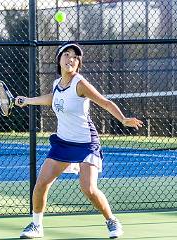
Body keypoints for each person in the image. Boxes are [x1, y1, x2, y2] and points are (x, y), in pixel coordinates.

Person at [16, 42, 143, 239]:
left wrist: (123, 119)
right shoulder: (56, 84)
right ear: (59, 60)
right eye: (66, 55)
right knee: (41, 183)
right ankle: (36, 226)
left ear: (78, 63)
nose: (71, 59)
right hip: (63, 143)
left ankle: (111, 220)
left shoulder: (80, 84)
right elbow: (53, 98)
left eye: (75, 57)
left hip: (86, 144)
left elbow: (105, 102)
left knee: (89, 188)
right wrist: (28, 101)